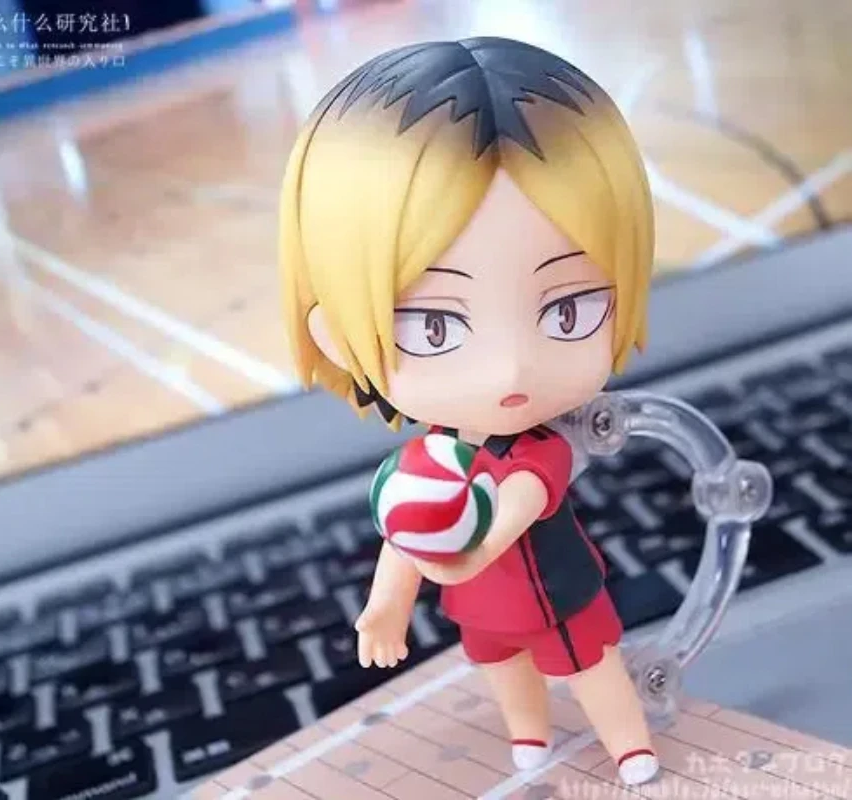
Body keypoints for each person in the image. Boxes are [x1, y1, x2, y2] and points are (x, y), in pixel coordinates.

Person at [279, 37, 659, 786]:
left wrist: (462, 547)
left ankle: (630, 746)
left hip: (555, 592)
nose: (510, 368)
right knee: (502, 666)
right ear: (337, 334)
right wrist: (386, 605)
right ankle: (529, 735)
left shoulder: (538, 450)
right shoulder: (428, 461)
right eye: (434, 326)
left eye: (568, 310)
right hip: (480, 605)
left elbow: (513, 506)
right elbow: (403, 534)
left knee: (591, 665)